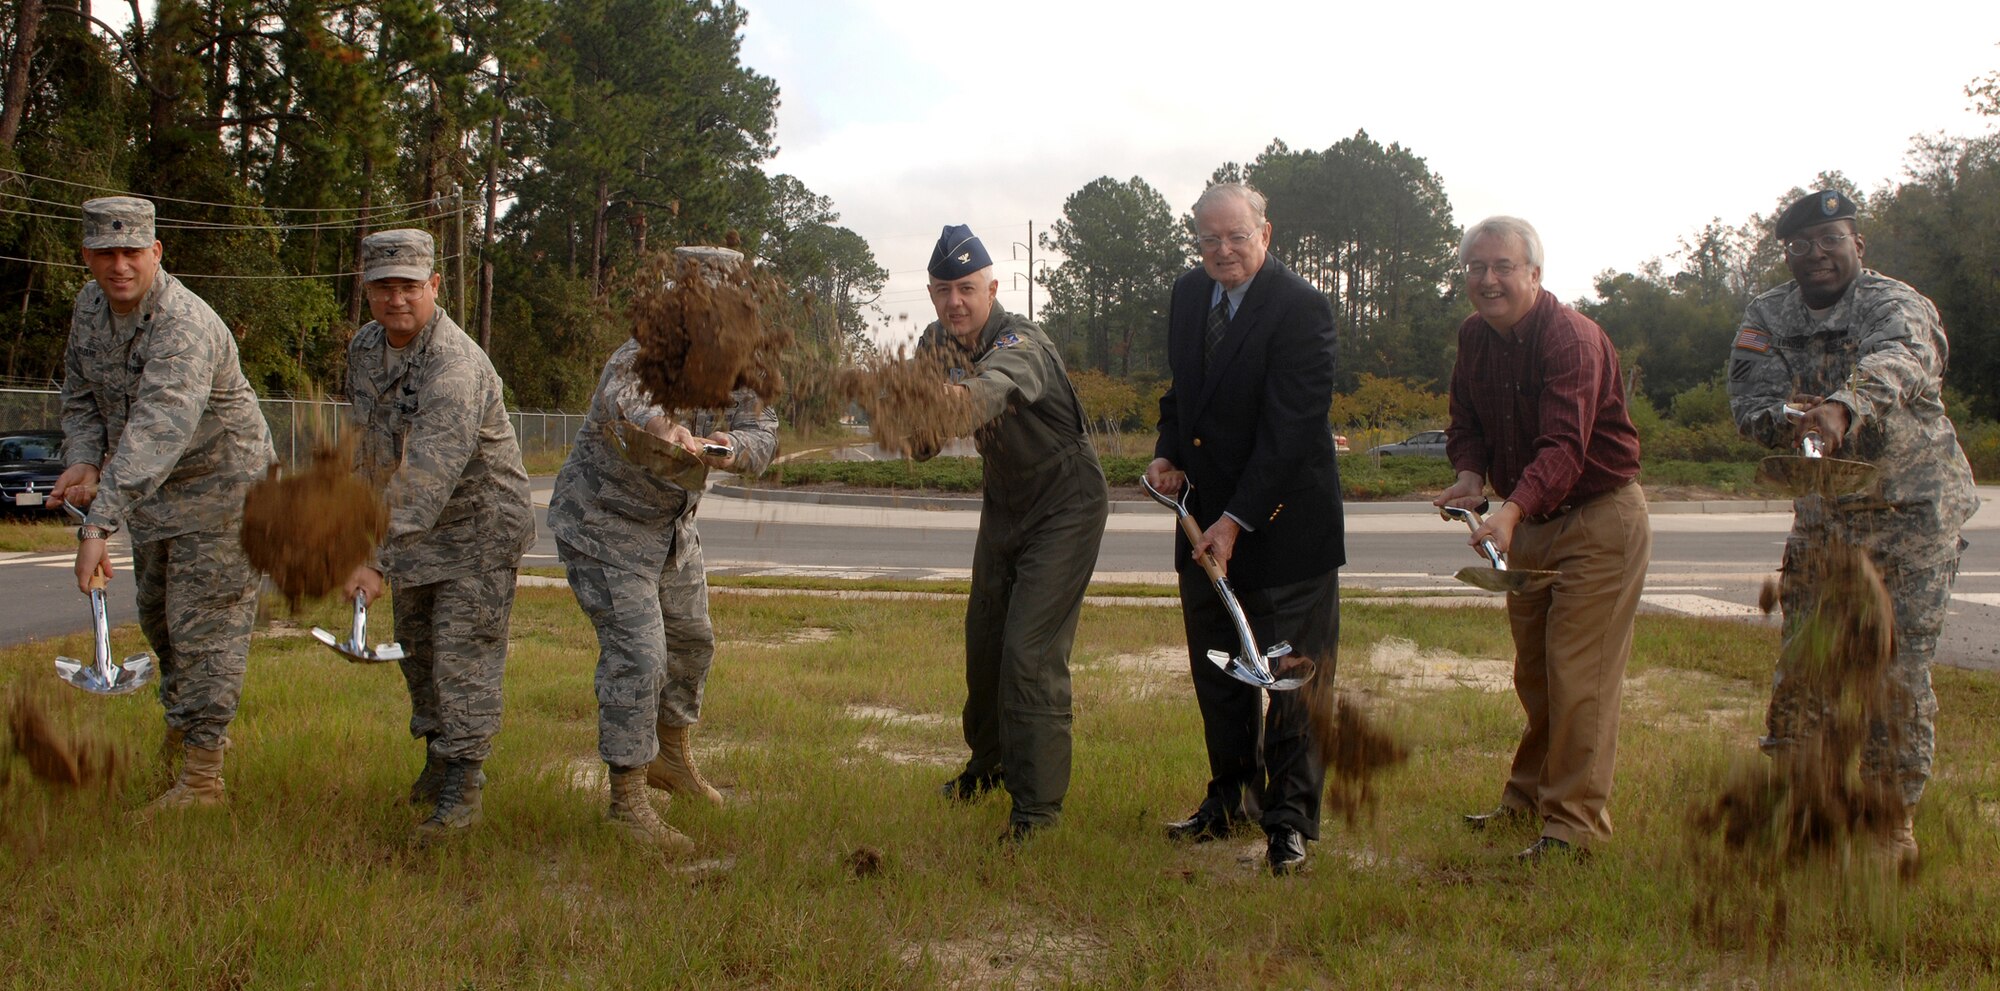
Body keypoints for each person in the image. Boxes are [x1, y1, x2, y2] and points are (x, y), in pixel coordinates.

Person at [1726, 189, 1979, 867]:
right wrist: (1793, 416)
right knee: (1805, 664)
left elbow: (1901, 361)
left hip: (1912, 514)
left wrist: (1842, 405)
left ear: (1857, 244)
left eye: (1830, 239)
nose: (1816, 255)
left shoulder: (1895, 302)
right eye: (1801, 245)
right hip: (1826, 518)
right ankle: (1793, 805)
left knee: (1895, 667)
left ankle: (1887, 820)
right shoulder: (1769, 313)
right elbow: (1749, 401)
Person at [548, 244, 780, 854]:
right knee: (640, 654)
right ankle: (627, 801)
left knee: (692, 644)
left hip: (671, 528)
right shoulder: (639, 354)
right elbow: (633, 402)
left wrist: (732, 446)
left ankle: (670, 759)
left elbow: (763, 431)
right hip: (604, 523)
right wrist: (669, 430)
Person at [1433, 215, 1650, 863]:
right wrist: (1472, 478)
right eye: (1477, 267)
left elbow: (1564, 447)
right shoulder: (1475, 337)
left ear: (1534, 274)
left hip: (1598, 519)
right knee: (1536, 674)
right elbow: (1466, 421)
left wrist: (1511, 508)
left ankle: (1573, 826)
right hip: (1527, 522)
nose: (1488, 279)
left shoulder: (1571, 340)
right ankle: (1525, 798)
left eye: (1503, 266)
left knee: (1578, 674)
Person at [51, 195, 276, 809]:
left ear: (156, 252)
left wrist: (97, 525)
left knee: (205, 630)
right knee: (160, 622)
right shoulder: (89, 310)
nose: (119, 265)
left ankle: (204, 778)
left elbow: (158, 428)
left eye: (132, 252)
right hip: (154, 495)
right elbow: (80, 398)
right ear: (87, 257)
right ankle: (181, 736)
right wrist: (82, 459)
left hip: (224, 493)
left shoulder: (184, 324)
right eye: (105, 253)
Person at [1145, 183, 1343, 875]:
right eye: (1209, 239)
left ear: (1266, 232)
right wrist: (1168, 451)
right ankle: (1225, 799)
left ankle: (1287, 825)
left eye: (1236, 236)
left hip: (1284, 528)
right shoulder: (1188, 295)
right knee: (1220, 672)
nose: (1222, 250)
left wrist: (1235, 522)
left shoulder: (1301, 309)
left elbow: (1290, 432)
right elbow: (1181, 393)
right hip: (1203, 526)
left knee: (1291, 676)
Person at [916, 224, 1109, 843]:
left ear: (992, 288)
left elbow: (988, 391)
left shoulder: (1022, 342)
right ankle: (990, 764)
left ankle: (1037, 811)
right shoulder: (934, 343)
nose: (955, 303)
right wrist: (904, 408)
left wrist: (942, 401)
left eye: (967, 289)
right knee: (986, 640)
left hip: (1066, 502)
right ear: (932, 294)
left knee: (1029, 653)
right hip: (1005, 500)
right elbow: (922, 446)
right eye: (944, 291)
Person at [340, 228, 535, 842]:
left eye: (408, 286)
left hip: (479, 528)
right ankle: (438, 757)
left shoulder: (455, 364)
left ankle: (465, 784)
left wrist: (375, 558)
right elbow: (371, 450)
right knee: (417, 651)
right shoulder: (365, 350)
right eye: (383, 287)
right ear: (366, 290)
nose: (396, 299)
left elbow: (426, 475)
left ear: (433, 286)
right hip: (414, 532)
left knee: (463, 658)